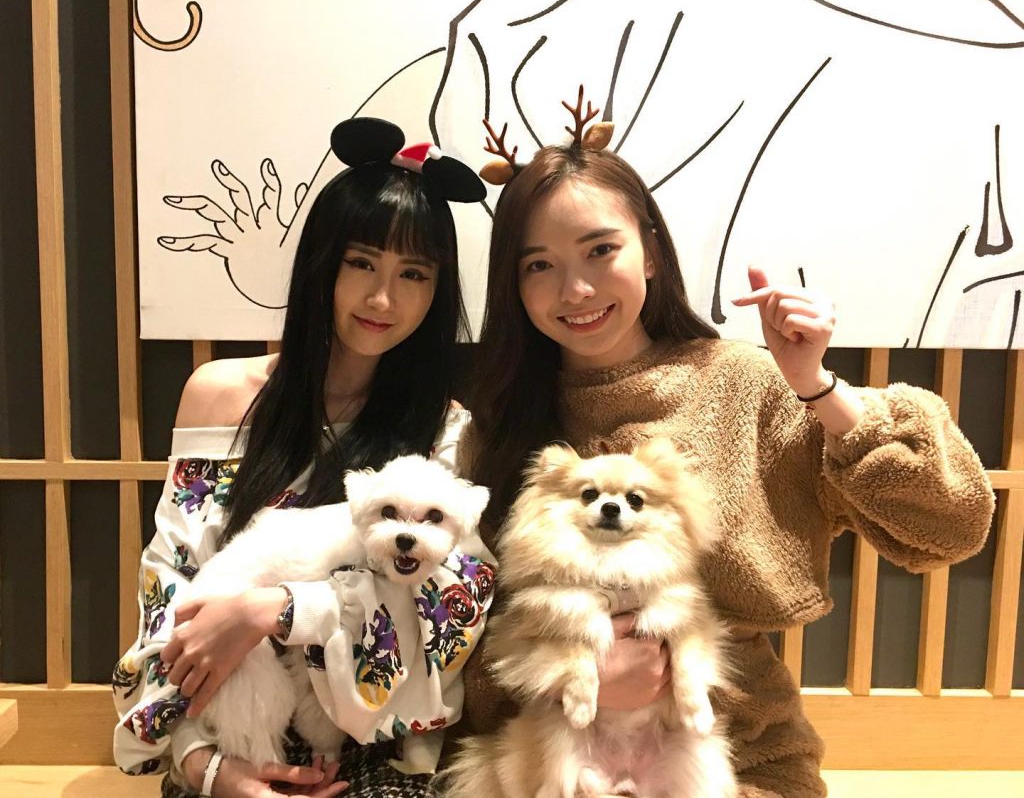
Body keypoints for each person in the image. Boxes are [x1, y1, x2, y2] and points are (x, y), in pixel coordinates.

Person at [457, 111, 995, 797]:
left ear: (650, 252)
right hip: (552, 758)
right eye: (540, 265)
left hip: (740, 758)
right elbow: (464, 640)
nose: (577, 290)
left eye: (600, 250)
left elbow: (952, 526)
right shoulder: (497, 425)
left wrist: (815, 386)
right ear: (513, 282)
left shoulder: (743, 384)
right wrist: (574, 672)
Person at [113, 117, 488, 798]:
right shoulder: (220, 396)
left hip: (373, 747)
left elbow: (446, 615)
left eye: (413, 273)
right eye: (361, 262)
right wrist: (204, 764)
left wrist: (278, 609)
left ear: (438, 292)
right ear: (322, 262)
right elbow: (169, 587)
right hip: (223, 736)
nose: (383, 298)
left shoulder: (445, 432)